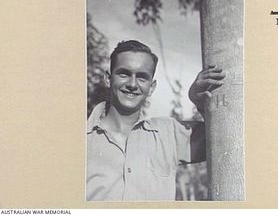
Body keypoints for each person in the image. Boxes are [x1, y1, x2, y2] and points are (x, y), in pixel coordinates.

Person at [86, 40, 225, 201]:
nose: (132, 84)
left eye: (142, 77)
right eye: (124, 73)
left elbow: (227, 141)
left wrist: (199, 102)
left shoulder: (169, 134)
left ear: (151, 88)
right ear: (108, 79)